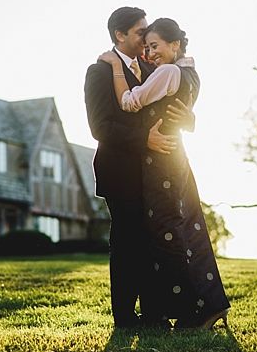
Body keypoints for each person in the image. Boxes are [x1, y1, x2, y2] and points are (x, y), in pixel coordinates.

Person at [97, 17, 231, 330]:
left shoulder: (166, 71)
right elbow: (100, 126)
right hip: (167, 162)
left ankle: (191, 311)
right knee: (188, 230)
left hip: (162, 164)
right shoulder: (185, 71)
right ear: (120, 35)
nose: (149, 51)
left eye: (154, 44)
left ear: (175, 44)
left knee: (168, 234)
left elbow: (130, 102)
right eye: (144, 43)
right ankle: (204, 305)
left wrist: (116, 67)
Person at [83, 7, 193, 329]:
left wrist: (190, 119)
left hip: (155, 172)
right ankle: (125, 316)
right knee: (127, 243)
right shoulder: (99, 72)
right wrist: (145, 139)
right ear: (120, 35)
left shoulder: (153, 67)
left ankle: (154, 313)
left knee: (153, 241)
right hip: (120, 172)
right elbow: (100, 127)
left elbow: (173, 104)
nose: (146, 39)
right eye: (140, 32)